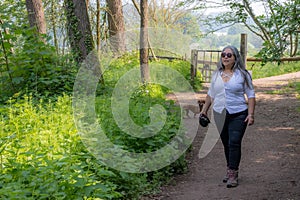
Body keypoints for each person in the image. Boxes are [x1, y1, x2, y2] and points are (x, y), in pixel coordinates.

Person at [200, 45, 256, 188]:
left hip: (239, 113)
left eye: (229, 55)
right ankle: (230, 168)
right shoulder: (216, 75)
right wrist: (204, 110)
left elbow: (250, 95)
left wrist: (250, 114)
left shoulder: (243, 74)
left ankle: (233, 173)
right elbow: (210, 94)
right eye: (223, 55)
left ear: (235, 58)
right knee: (227, 143)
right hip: (219, 113)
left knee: (234, 142)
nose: (225, 57)